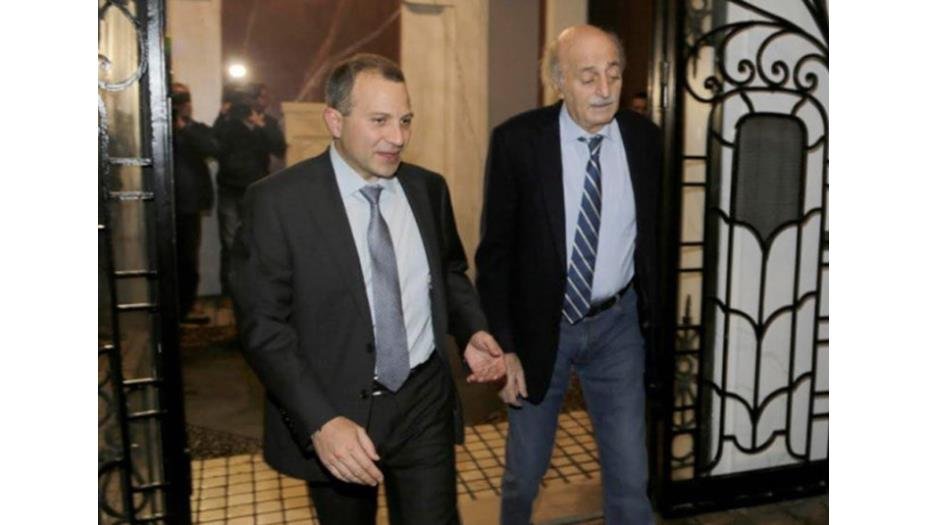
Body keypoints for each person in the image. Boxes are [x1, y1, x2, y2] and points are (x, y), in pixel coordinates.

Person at [230, 53, 506, 525]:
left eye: (405, 120)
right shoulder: (278, 203)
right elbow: (264, 328)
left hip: (424, 403)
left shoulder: (427, 189)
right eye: (379, 120)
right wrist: (320, 420)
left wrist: (472, 329)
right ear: (335, 120)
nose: (397, 137)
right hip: (339, 411)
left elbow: (448, 271)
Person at [475, 25, 663, 525]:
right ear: (558, 81)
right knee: (525, 471)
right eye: (587, 76)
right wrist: (504, 347)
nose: (604, 89)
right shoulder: (518, 142)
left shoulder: (645, 140)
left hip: (618, 325)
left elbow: (655, 242)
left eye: (613, 74)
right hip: (542, 328)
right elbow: (495, 255)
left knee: (631, 477)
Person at [215, 82, 286, 296]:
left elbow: (280, 148)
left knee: (258, 241)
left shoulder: (267, 122)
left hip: (257, 190)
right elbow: (215, 143)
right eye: (257, 97)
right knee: (230, 243)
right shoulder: (230, 122)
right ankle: (229, 293)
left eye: (261, 97)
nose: (260, 101)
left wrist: (260, 125)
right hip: (230, 188)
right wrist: (222, 116)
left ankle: (257, 291)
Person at [170, 82, 219, 320]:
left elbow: (213, 149)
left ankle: (187, 305)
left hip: (189, 205)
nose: (183, 104)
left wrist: (185, 127)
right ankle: (169, 307)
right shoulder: (156, 127)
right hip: (164, 204)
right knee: (166, 258)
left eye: (185, 99)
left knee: (189, 259)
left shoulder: (196, 129)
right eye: (178, 99)